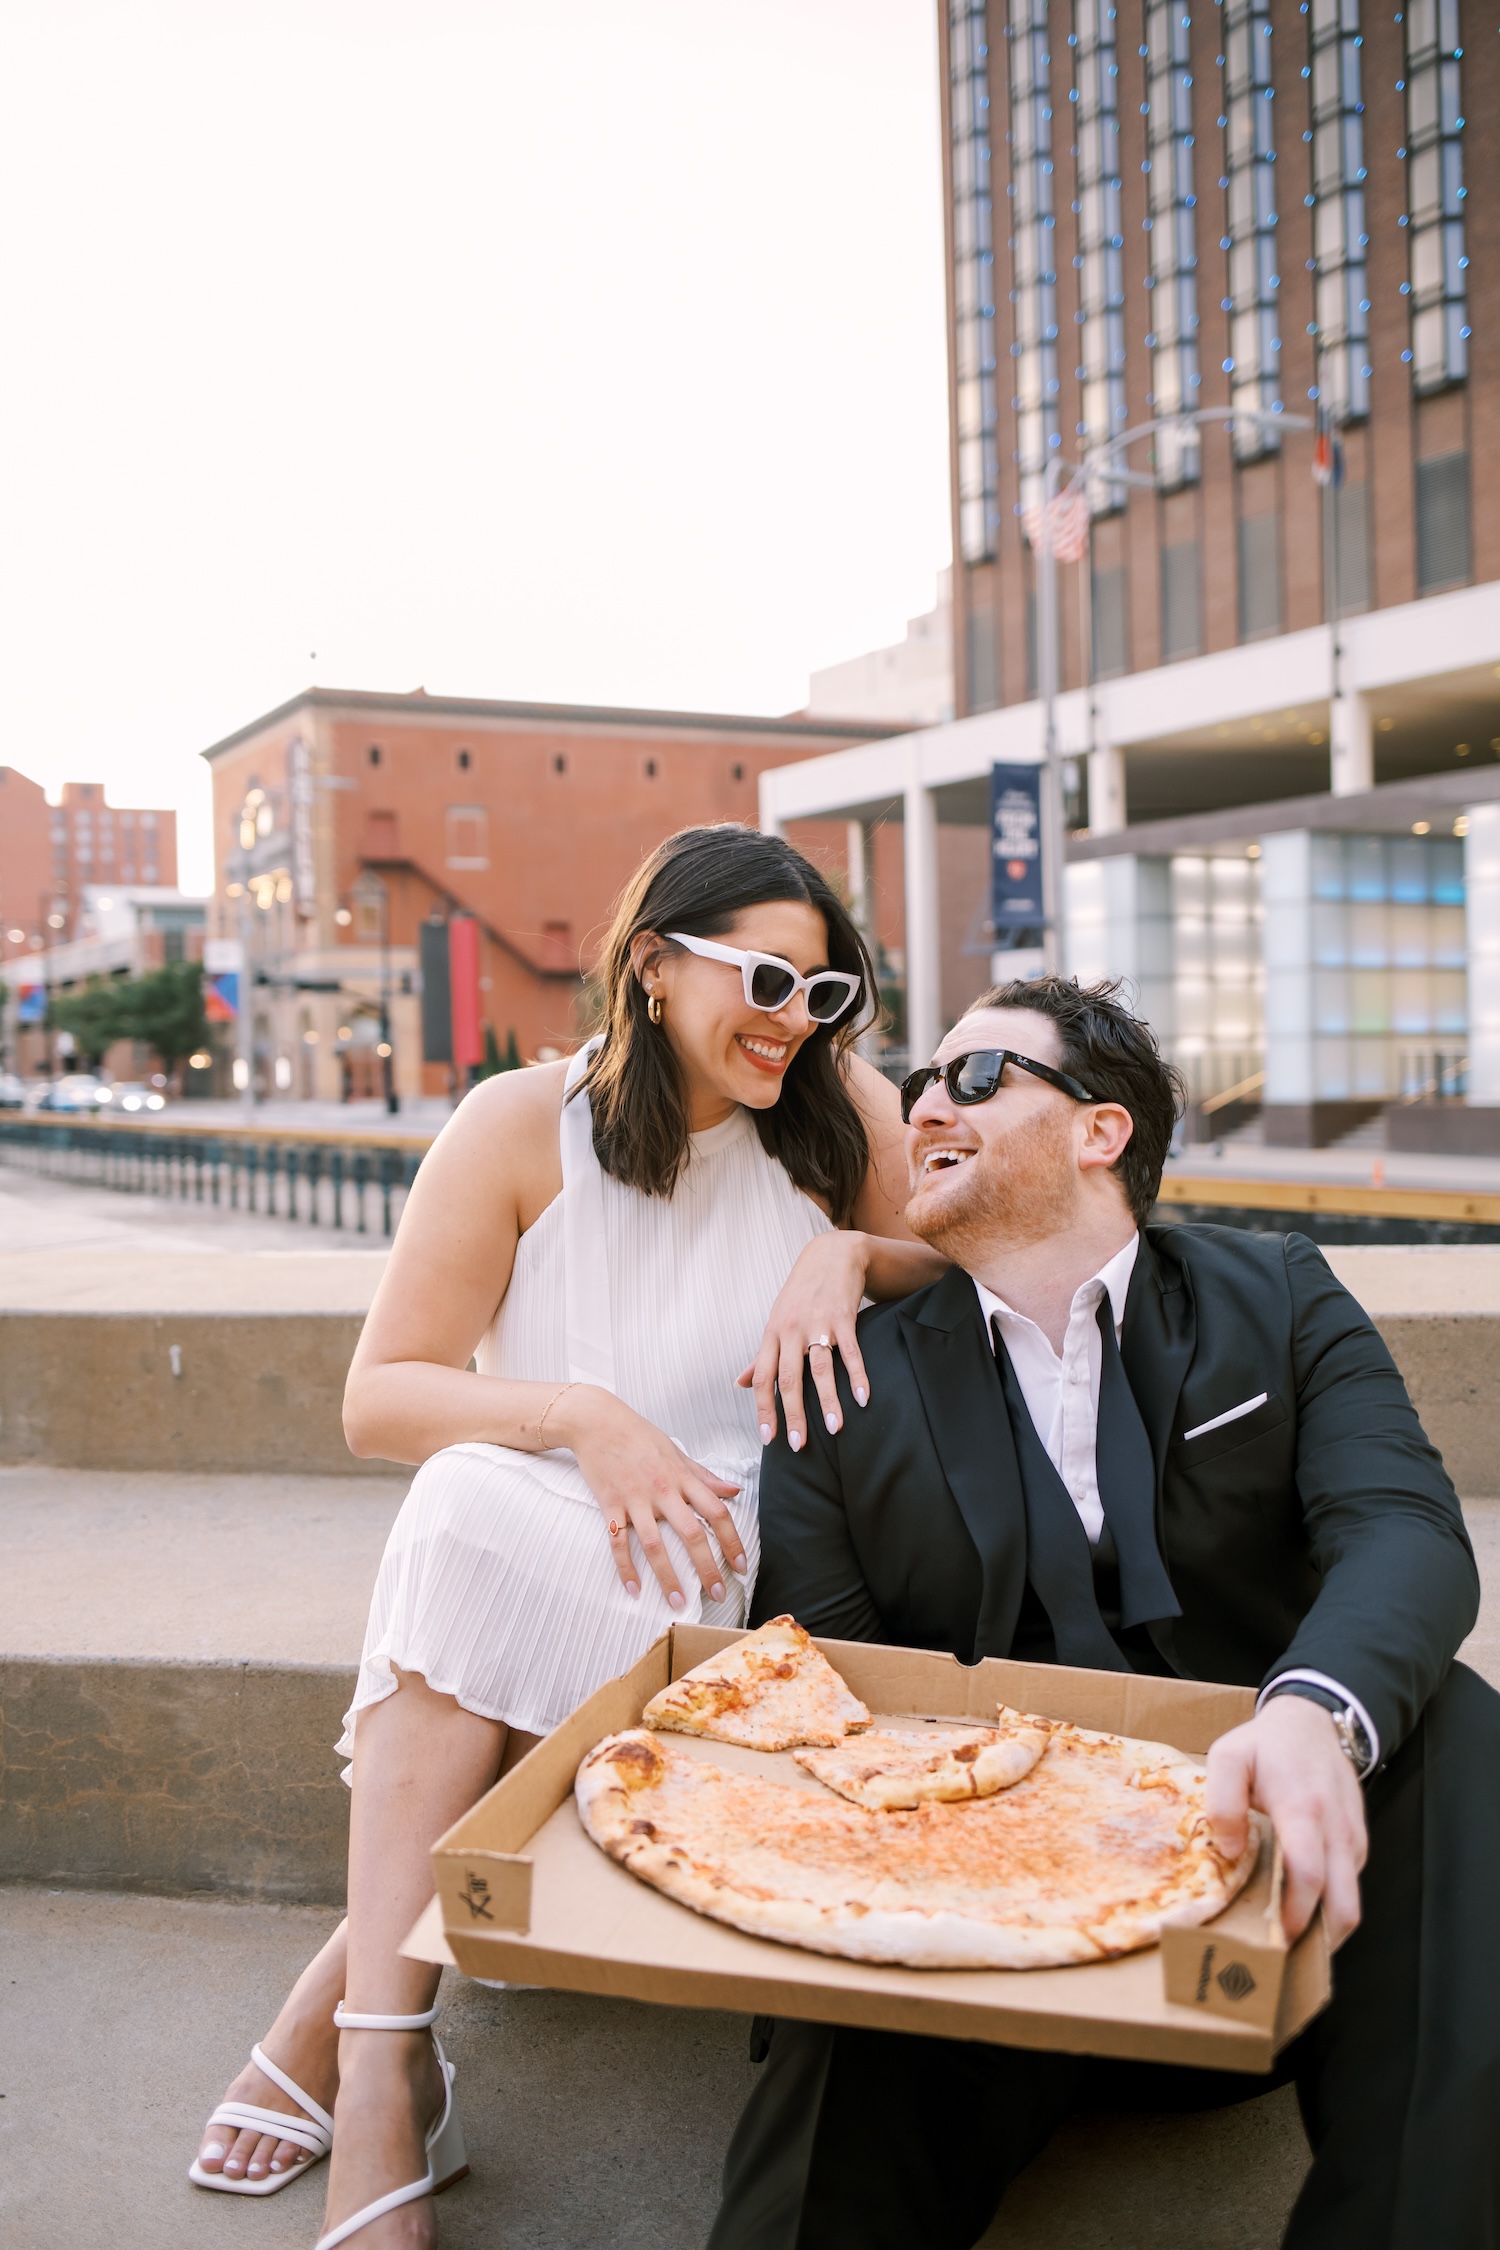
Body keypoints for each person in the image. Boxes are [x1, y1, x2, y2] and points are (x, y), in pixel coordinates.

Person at [190, 824, 943, 2249]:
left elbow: (956, 1260)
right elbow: (382, 1394)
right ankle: (376, 2078)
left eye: (826, 991)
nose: (798, 1019)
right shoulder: (517, 1123)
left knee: (466, 1542)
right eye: (768, 981)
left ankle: (354, 2048)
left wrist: (847, 1248)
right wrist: (582, 1416)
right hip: (547, 1508)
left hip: (724, 1562)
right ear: (654, 963)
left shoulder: (840, 1108)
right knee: (461, 1504)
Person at [709, 974, 1500, 2250]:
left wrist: (1308, 1718)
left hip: (1276, 1899)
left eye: (973, 1077)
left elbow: (1404, 1530)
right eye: (918, 1085)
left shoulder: (1279, 1293)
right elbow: (823, 1688)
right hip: (981, 1930)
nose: (923, 1106)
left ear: (1100, 1129)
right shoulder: (841, 1380)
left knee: (1456, 1730)